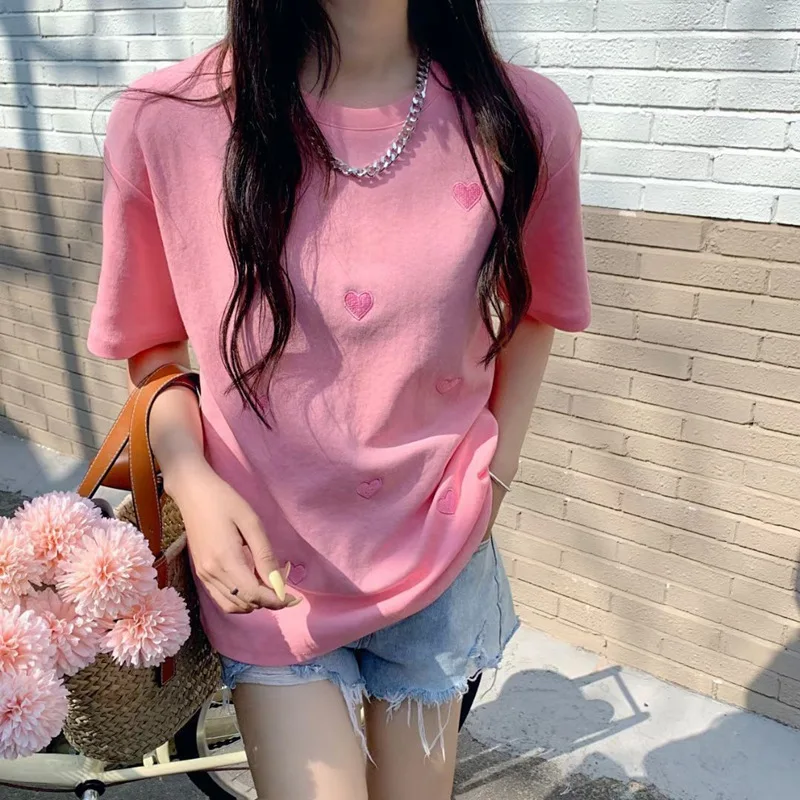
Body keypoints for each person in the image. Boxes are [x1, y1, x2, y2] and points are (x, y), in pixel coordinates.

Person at [87, 1, 591, 797]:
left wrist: (496, 476)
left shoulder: (524, 118)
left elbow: (537, 307)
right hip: (268, 567)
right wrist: (193, 481)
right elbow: (153, 347)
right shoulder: (167, 121)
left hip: (440, 551)